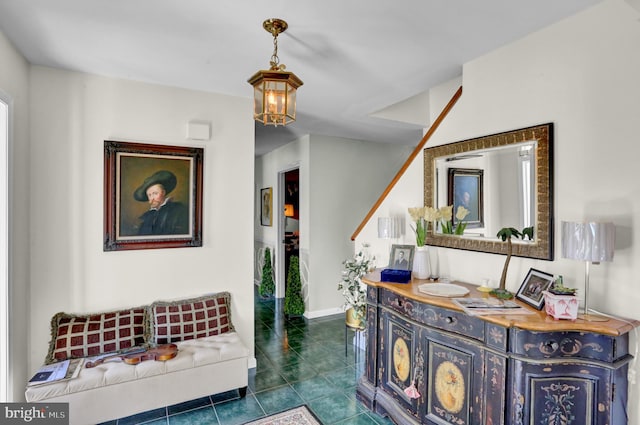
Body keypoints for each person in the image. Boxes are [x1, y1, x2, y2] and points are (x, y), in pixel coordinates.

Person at [134, 170, 189, 235]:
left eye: (155, 193)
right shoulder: (147, 216)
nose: (152, 198)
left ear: (163, 193)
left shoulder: (178, 209)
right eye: (149, 195)